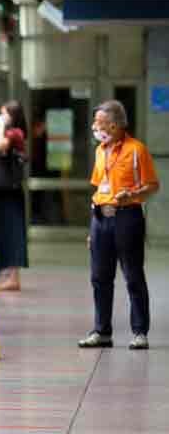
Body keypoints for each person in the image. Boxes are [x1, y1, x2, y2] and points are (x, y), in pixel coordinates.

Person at [79, 100, 159, 351]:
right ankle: (102, 331)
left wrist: (132, 194)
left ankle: (140, 332)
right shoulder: (100, 151)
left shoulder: (137, 150)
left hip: (127, 217)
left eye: (99, 123)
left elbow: (153, 186)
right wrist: (92, 227)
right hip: (100, 217)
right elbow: (98, 186)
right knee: (99, 277)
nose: (95, 127)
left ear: (113, 125)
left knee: (133, 275)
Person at [0, 101, 29, 291]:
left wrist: (0, 125)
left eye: (3, 114)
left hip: (9, 192)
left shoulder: (15, 133)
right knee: (5, 230)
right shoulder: (14, 134)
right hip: (4, 191)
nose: (0, 117)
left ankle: (13, 278)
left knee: (12, 231)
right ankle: (9, 274)